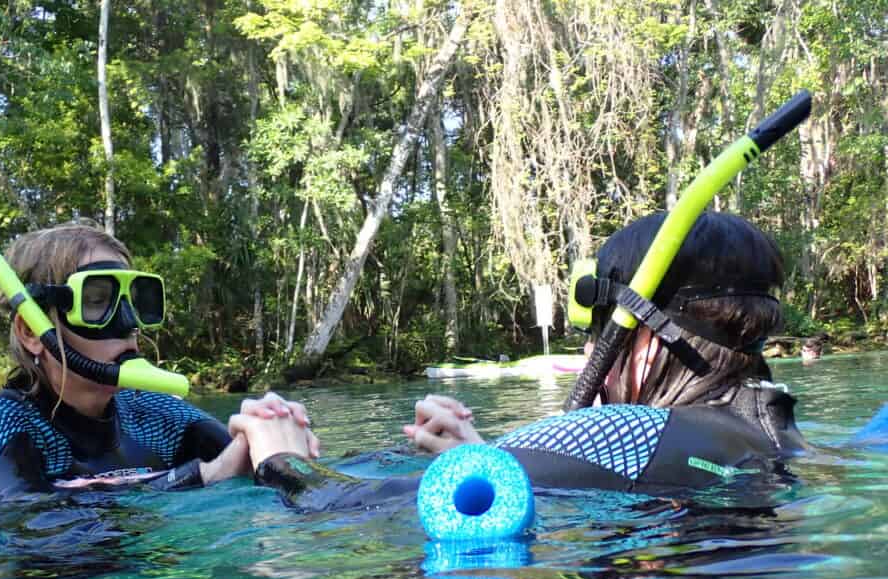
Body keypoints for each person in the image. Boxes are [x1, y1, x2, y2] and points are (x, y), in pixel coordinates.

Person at [229, 212, 808, 504]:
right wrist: (487, 459)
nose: (589, 351)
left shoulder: (627, 431)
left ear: (651, 335)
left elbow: (351, 509)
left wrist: (284, 464)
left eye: (600, 332)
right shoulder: (772, 431)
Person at [0, 221, 317, 504]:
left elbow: (252, 466)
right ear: (30, 332)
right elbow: (28, 530)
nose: (129, 326)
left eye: (134, 302)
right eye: (96, 302)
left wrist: (274, 440)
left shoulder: (158, 416)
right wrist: (205, 476)